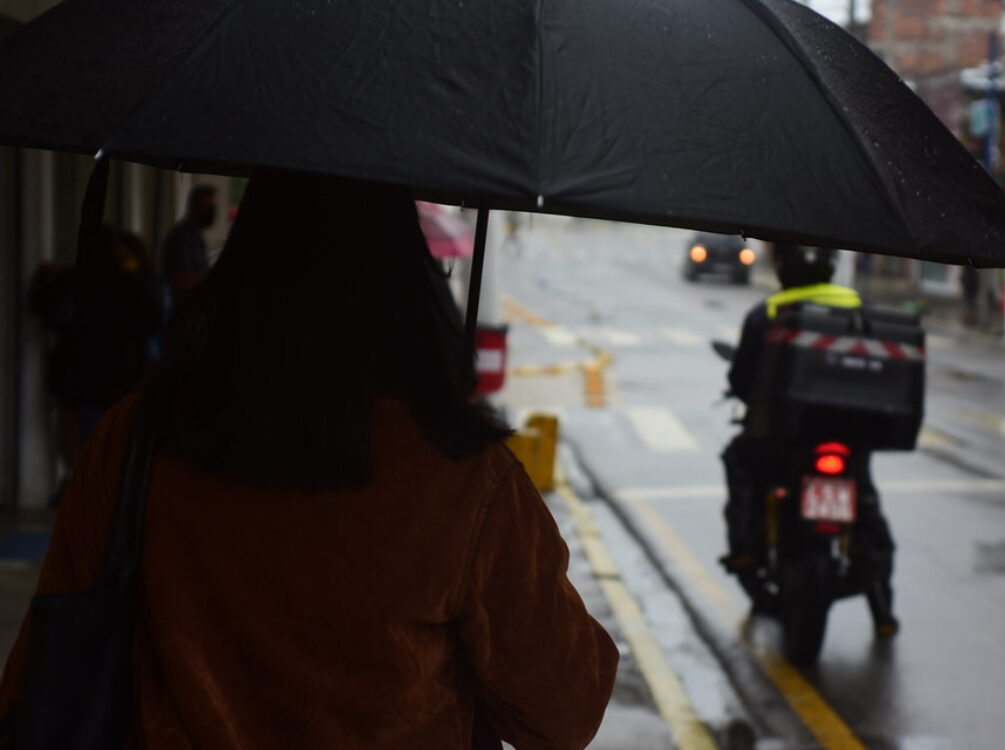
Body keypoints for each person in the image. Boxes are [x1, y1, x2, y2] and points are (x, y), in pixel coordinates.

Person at [0, 171, 617, 749]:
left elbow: (43, 668)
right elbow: (564, 711)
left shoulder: (135, 440)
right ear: (406, 277)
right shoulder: (460, 477)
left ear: (243, 259)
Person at [721, 244, 895, 620]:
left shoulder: (766, 311)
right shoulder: (859, 306)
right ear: (832, 268)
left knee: (739, 463)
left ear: (782, 268)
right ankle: (882, 606)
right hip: (851, 435)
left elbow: (740, 378)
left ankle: (745, 549)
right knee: (866, 504)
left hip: (780, 440)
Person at [30, 225, 167, 471]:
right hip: (120, 377)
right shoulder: (131, 285)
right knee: (115, 445)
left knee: (89, 445)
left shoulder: (75, 282)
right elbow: (154, 318)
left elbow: (48, 312)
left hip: (86, 379)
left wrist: (45, 279)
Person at [160, 184, 217, 300]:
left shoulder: (197, 238)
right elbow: (179, 281)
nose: (212, 212)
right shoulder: (181, 238)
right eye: (207, 207)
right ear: (194, 206)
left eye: (214, 207)